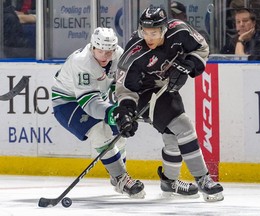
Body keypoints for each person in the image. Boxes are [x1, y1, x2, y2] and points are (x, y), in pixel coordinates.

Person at [113, 6, 224, 201]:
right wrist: (126, 112)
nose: (149, 38)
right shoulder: (134, 52)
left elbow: (202, 48)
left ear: (164, 29)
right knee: (183, 126)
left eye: (154, 33)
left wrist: (189, 65)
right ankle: (203, 179)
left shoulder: (180, 30)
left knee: (173, 134)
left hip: (164, 89)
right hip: (143, 93)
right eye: (145, 32)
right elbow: (124, 89)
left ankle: (169, 182)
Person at [51, 27, 145, 198]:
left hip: (96, 99)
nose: (105, 56)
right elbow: (89, 102)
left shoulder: (119, 55)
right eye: (100, 51)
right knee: (99, 132)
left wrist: (125, 108)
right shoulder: (81, 61)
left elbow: (121, 85)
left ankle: (117, 175)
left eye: (109, 51)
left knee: (120, 133)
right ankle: (121, 178)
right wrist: (112, 112)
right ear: (92, 47)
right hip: (67, 102)